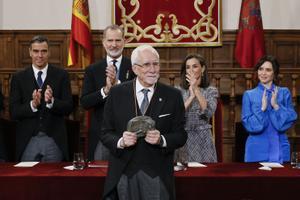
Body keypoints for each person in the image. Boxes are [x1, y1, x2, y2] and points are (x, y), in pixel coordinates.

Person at [100, 44, 187, 200]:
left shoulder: (172, 95)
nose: (153, 69)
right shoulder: (117, 93)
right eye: (147, 64)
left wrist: (162, 139)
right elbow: (105, 133)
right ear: (135, 69)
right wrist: (120, 141)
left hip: (158, 173)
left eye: (156, 64)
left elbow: (181, 135)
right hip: (124, 171)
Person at [9, 35, 73, 162]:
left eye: (43, 51)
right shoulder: (18, 78)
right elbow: (14, 112)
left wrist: (51, 102)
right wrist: (32, 104)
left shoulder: (61, 75)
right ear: (30, 52)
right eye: (36, 51)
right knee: (27, 180)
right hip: (28, 140)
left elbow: (69, 107)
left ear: (49, 52)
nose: (40, 55)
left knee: (54, 179)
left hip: (54, 140)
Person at [80, 25, 135, 161]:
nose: (114, 45)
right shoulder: (92, 70)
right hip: (101, 134)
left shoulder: (134, 67)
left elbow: (139, 97)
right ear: (104, 42)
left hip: (129, 134)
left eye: (117, 40)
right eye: (110, 41)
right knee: (100, 176)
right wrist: (105, 91)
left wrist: (118, 85)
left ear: (124, 41)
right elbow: (85, 102)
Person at [241, 55, 297, 163]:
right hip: (256, 149)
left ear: (274, 73)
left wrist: (276, 106)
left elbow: (287, 122)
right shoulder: (249, 95)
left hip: (281, 147)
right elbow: (249, 126)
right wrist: (262, 109)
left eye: (268, 70)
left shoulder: (284, 92)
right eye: (260, 69)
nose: (263, 73)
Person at [175, 54, 218, 163]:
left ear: (202, 68)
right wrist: (191, 97)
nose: (191, 70)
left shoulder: (211, 90)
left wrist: (196, 90)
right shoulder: (178, 90)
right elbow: (177, 114)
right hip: (184, 138)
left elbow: (208, 112)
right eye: (188, 67)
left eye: (194, 66)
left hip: (203, 138)